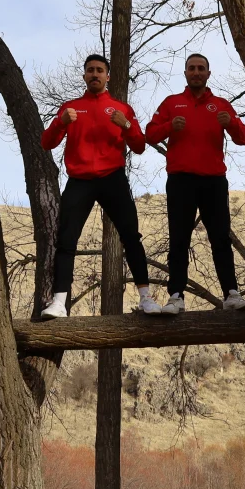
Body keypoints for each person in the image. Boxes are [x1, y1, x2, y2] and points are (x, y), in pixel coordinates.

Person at [38, 54, 163, 319]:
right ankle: (60, 303)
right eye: (90, 71)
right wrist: (61, 122)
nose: (95, 74)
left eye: (99, 71)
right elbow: (47, 143)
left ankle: (146, 298)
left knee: (131, 237)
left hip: (112, 178)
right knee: (67, 240)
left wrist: (126, 125)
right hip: (80, 180)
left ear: (108, 76)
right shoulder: (70, 108)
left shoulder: (121, 109)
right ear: (84, 76)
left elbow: (139, 146)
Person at [144, 53, 245, 313]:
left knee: (220, 238)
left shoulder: (220, 104)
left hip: (214, 180)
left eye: (201, 68)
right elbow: (149, 134)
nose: (196, 72)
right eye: (191, 68)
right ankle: (176, 297)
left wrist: (232, 123)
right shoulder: (172, 103)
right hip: (181, 180)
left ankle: (231, 295)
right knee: (179, 239)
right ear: (185, 73)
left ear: (208, 73)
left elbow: (243, 138)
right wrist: (169, 126)